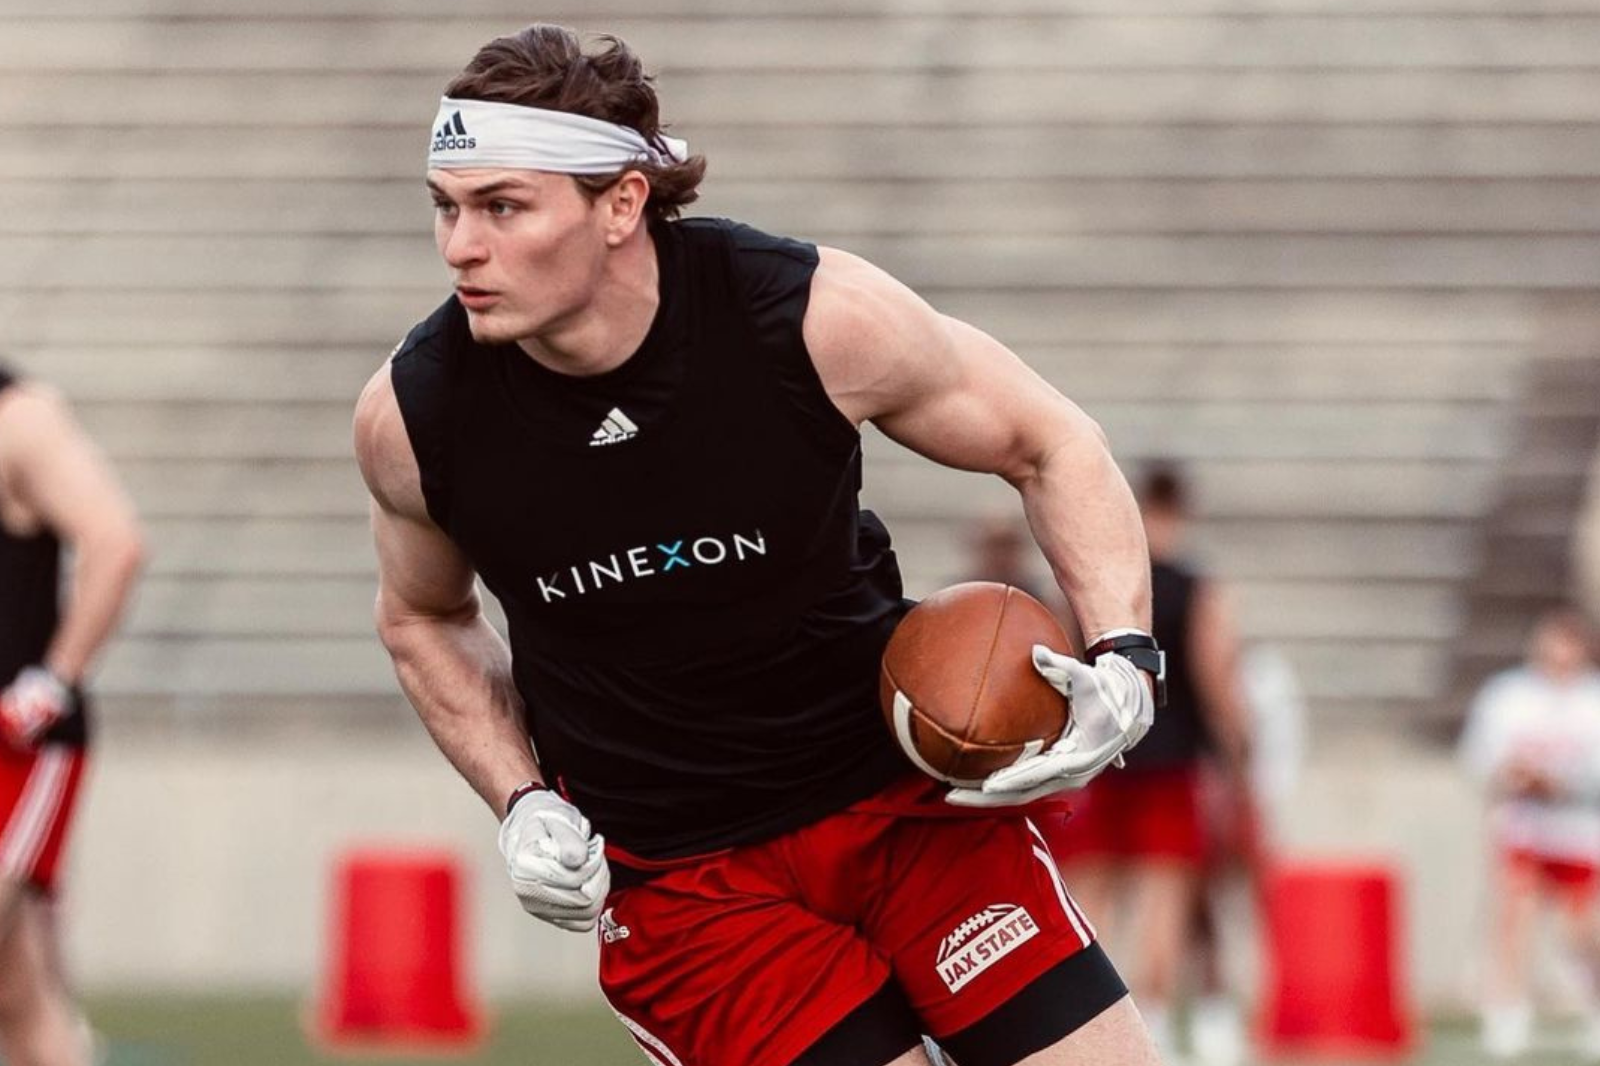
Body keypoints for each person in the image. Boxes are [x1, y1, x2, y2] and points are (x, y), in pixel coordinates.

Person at [354, 24, 1166, 1066]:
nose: (460, 245)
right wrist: (518, 799)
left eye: (503, 206)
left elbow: (1050, 442)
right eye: (447, 207)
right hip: (686, 887)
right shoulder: (414, 415)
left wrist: (1124, 655)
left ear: (620, 204)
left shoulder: (810, 315)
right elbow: (422, 615)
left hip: (903, 808)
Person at [1050, 464, 1255, 1062]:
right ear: (1182, 512)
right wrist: (1239, 757)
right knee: (1164, 903)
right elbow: (1217, 677)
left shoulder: (1102, 586)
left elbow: (1063, 657)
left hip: (1103, 759)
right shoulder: (1198, 587)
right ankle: (1153, 1029)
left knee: (1091, 901)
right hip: (1171, 764)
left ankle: (1079, 1027)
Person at [0, 363, 144, 1066]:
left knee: (21, 983)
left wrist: (53, 680)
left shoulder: (20, 419)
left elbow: (115, 541)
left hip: (16, 748)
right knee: (21, 989)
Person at [1459, 607, 1600, 1059]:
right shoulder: (1508, 696)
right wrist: (1510, 775)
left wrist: (1563, 783)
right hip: (1525, 828)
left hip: (1579, 831)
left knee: (1582, 930)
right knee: (1514, 916)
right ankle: (1508, 1010)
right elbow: (1479, 757)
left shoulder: (1593, 702)